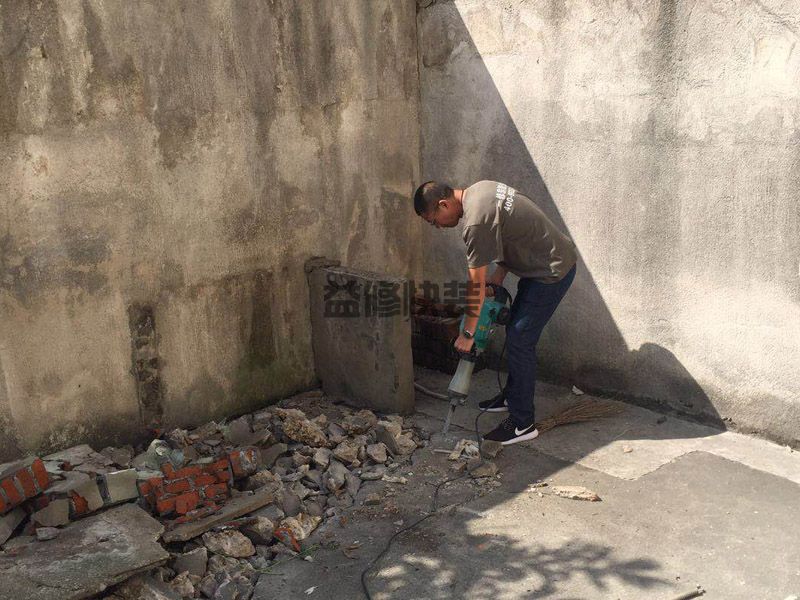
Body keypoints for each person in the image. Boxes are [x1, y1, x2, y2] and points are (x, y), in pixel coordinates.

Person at [413, 180, 577, 445]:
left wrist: (467, 334)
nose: (439, 227)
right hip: (541, 264)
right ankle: (513, 396)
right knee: (517, 334)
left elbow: (475, 285)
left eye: (435, 221)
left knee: (520, 340)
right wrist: (499, 275)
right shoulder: (482, 190)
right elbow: (512, 232)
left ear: (444, 204)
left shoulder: (475, 223)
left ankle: (522, 423)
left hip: (551, 271)